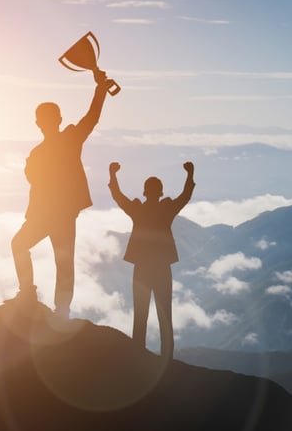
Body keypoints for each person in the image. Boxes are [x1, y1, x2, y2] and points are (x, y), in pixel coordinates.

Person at [11, 69, 111, 318]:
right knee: (61, 260)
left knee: (23, 246)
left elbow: (91, 118)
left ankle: (32, 295)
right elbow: (91, 118)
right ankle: (58, 308)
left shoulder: (41, 152)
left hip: (51, 213)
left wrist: (100, 90)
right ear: (59, 119)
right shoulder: (66, 141)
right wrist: (100, 89)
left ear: (40, 122)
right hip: (59, 213)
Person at [108, 161, 195, 359]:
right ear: (161, 192)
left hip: (141, 268)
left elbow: (118, 197)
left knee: (140, 315)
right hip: (162, 267)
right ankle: (167, 360)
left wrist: (113, 176)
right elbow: (185, 197)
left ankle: (138, 356)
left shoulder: (138, 209)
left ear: (145, 192)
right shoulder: (166, 209)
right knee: (165, 315)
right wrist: (189, 175)